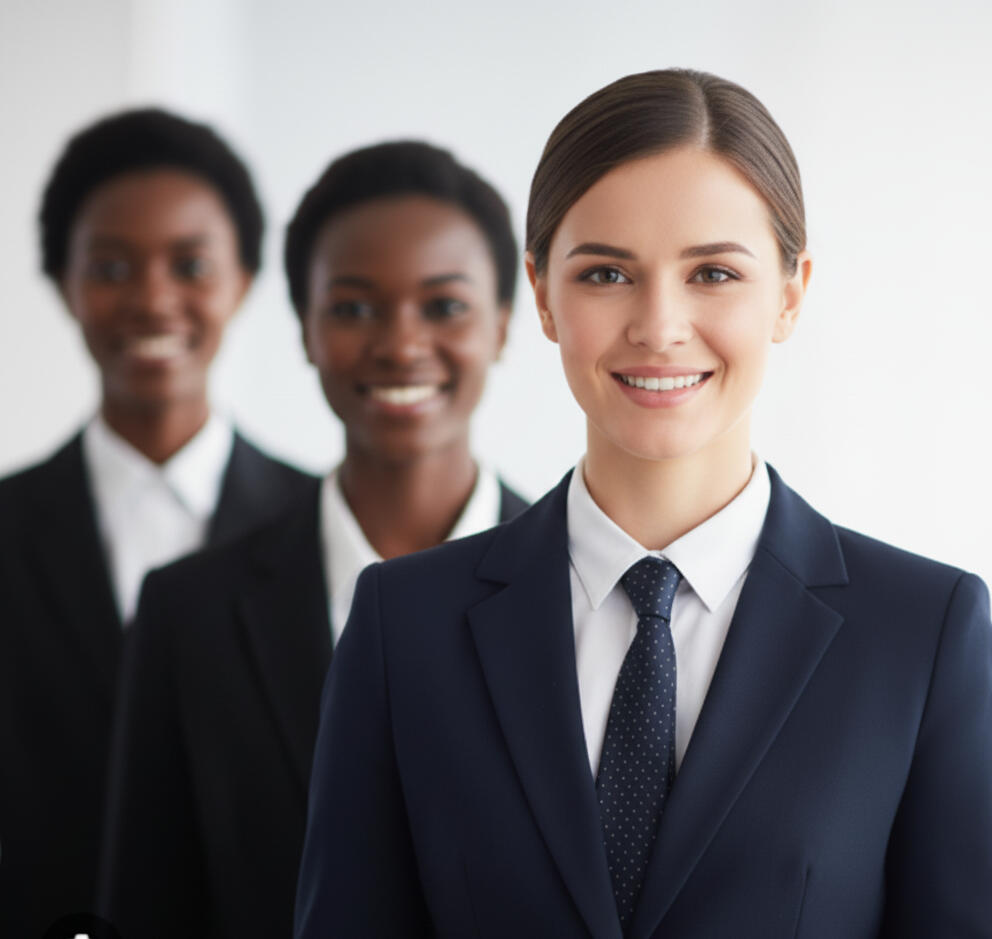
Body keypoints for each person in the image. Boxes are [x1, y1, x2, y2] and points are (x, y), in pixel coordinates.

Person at [294, 70, 992, 938]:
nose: (660, 325)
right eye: (607, 274)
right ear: (542, 293)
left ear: (791, 291)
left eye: (712, 272)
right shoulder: (406, 624)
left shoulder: (924, 633)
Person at [97, 140, 528, 939]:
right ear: (304, 329)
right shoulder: (189, 612)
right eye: (354, 308)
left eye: (444, 306)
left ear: (502, 324)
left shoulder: (588, 585)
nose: (401, 344)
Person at [0, 108, 315, 937]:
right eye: (110, 265)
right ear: (63, 283)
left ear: (244, 279)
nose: (151, 299)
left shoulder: (325, 525)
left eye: (190, 263)